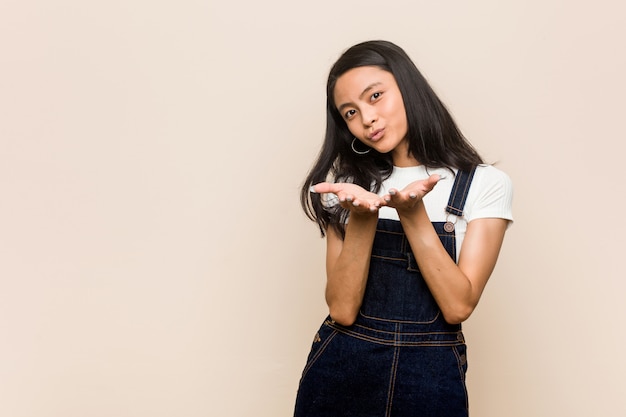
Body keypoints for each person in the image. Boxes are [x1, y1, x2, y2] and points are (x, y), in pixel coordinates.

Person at [294, 40, 513, 417]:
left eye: (375, 96)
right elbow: (343, 311)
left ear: (407, 86)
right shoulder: (345, 187)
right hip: (341, 370)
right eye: (350, 112)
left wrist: (413, 215)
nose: (367, 118)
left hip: (430, 378)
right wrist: (363, 217)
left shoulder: (484, 183)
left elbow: (458, 305)